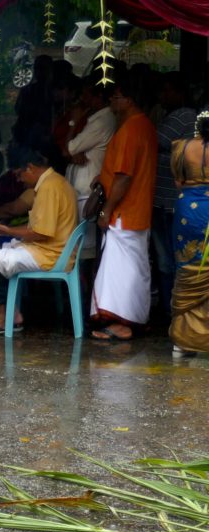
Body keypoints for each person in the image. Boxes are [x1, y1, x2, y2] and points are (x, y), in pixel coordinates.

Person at [0, 147, 78, 336]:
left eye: (20, 175)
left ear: (30, 168)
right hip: (54, 250)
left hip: (51, 254)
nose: (19, 180)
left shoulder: (49, 187)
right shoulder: (55, 181)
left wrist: (7, 230)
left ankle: (4, 317)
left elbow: (42, 233)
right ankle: (13, 315)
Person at [90, 76, 157, 341]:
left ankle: (123, 323)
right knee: (135, 267)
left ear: (128, 100)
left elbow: (124, 176)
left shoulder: (131, 129)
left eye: (116, 96)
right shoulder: (144, 125)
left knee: (122, 270)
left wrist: (107, 209)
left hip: (125, 212)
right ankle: (135, 320)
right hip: (137, 210)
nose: (111, 100)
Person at [152, 73, 196, 319]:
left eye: (167, 91)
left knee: (168, 259)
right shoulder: (177, 115)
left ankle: (173, 308)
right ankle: (171, 307)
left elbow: (155, 139)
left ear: (179, 92)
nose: (162, 96)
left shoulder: (184, 116)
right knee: (166, 259)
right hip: (165, 200)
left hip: (169, 203)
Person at [168, 110, 209, 355]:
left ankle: (182, 342)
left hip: (188, 211)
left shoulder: (182, 147)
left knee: (187, 267)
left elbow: (178, 182)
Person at [63, 79, 114, 259]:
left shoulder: (102, 120)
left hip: (88, 190)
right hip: (83, 187)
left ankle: (87, 286)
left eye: (86, 95)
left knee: (86, 249)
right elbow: (71, 150)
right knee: (82, 245)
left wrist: (73, 122)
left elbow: (70, 148)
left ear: (99, 97)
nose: (83, 99)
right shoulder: (95, 119)